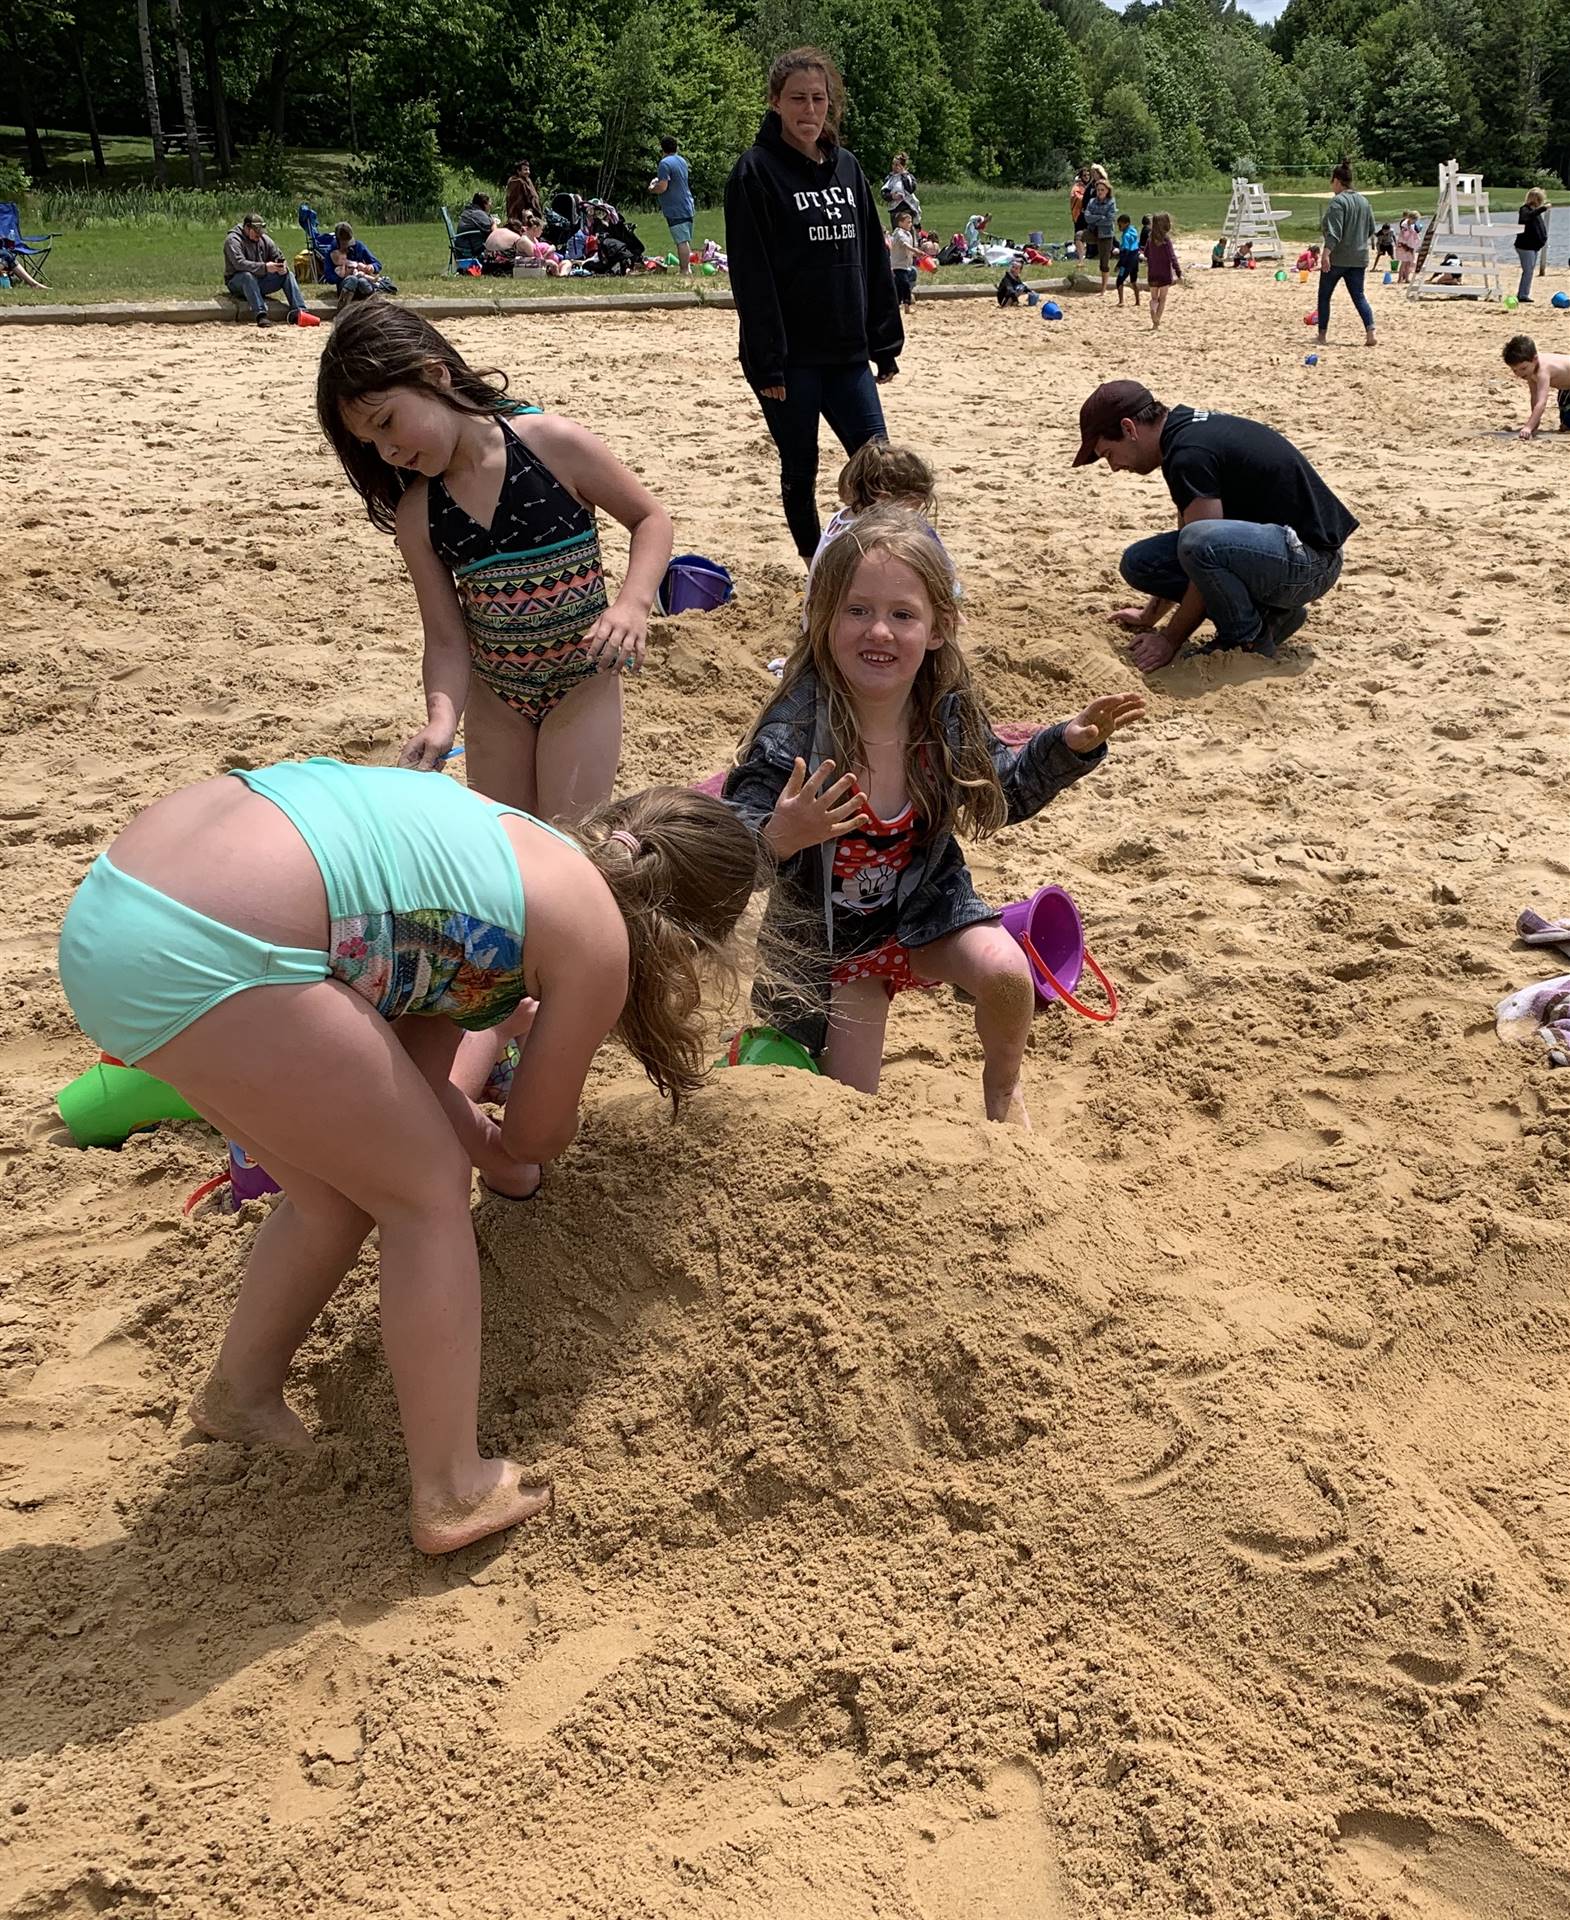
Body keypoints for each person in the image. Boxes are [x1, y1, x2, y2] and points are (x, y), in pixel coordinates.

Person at [57, 760, 760, 1555]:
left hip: (115, 917)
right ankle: (453, 1485)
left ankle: (242, 1395)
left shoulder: (505, 857)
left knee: (337, 1194)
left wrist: (472, 1121)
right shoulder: (596, 937)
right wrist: (504, 1151)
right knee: (426, 1195)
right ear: (687, 935)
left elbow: (417, 1086)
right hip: (213, 947)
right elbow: (532, 1139)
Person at [725, 508, 1143, 1127]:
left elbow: (1004, 791)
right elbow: (727, 850)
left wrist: (1066, 746)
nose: (879, 632)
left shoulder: (942, 714)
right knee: (844, 1114)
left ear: (938, 628)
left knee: (1005, 973)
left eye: (902, 615)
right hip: (833, 946)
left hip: (927, 910)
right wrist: (783, 833)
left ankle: (1003, 1090)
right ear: (823, 618)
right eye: (857, 610)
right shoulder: (795, 728)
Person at [316, 301, 673, 818]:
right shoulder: (419, 514)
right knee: (510, 847)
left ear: (434, 375)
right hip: (496, 697)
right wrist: (441, 720)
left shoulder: (552, 444)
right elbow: (444, 636)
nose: (387, 451)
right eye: (370, 443)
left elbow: (650, 520)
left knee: (568, 840)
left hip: (583, 679)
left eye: (387, 422)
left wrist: (632, 605)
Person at [724, 46, 903, 562]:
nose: (809, 110)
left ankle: (879, 561)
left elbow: (871, 255)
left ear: (832, 105)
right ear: (775, 102)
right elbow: (752, 278)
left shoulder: (847, 168)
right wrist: (769, 360)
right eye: (797, 99)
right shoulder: (754, 173)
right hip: (790, 361)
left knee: (878, 469)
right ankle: (814, 567)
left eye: (818, 99)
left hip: (847, 353)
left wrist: (884, 342)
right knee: (800, 469)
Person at [1076, 379, 1358, 673]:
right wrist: (1150, 615)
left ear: (1129, 429)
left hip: (1311, 563)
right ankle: (1271, 615)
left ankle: (1247, 640)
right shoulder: (1182, 434)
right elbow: (1193, 538)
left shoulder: (1188, 453)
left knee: (1198, 544)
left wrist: (1170, 639)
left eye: (1108, 454)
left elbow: (1201, 546)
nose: (1114, 467)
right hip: (1287, 552)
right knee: (1141, 563)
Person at [804, 439, 957, 612]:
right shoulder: (868, 539)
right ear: (883, 499)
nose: (914, 518)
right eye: (912, 509)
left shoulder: (840, 519)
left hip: (819, 620)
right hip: (841, 627)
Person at [1316, 161, 1376, 348]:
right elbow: (1371, 228)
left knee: (1324, 296)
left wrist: (1326, 253)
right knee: (1359, 296)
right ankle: (1370, 332)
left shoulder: (1338, 202)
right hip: (1359, 257)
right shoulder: (1364, 201)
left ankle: (1322, 335)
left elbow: (1335, 232)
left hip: (1339, 258)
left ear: (1337, 181)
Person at [223, 212, 315, 330]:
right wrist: (265, 267)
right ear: (247, 228)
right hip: (237, 282)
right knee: (247, 276)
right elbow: (239, 264)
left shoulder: (265, 240)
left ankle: (299, 312)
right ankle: (260, 314)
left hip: (259, 280)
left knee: (288, 275)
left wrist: (282, 267)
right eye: (256, 232)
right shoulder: (233, 240)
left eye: (261, 232)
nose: (259, 235)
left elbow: (278, 255)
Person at [1501, 335, 1570, 439]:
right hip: (1566, 388)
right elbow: (1534, 397)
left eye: (1523, 368)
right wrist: (1535, 423)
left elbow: (1542, 402)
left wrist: (1528, 427)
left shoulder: (1543, 370)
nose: (1519, 373)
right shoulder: (1530, 371)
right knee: (1566, 425)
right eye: (1515, 370)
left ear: (1535, 359)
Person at [649, 135, 696, 275]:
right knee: (685, 239)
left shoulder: (665, 164)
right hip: (687, 204)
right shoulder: (682, 161)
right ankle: (687, 267)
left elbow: (663, 186)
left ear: (662, 148)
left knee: (681, 240)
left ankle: (684, 270)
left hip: (675, 207)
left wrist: (652, 188)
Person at [328, 223, 392, 305]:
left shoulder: (359, 246)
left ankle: (372, 302)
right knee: (352, 280)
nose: (348, 246)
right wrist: (344, 274)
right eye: (344, 243)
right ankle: (344, 305)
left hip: (362, 283)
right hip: (345, 285)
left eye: (349, 242)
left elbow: (377, 264)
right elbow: (329, 276)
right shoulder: (332, 252)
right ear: (338, 241)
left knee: (362, 281)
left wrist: (371, 267)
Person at [457, 193, 521, 265]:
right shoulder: (477, 213)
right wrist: (494, 223)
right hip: (471, 248)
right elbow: (494, 231)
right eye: (489, 203)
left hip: (467, 243)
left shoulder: (470, 211)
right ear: (484, 204)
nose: (490, 205)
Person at [1143, 212, 1181, 331]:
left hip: (1153, 272)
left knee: (1154, 298)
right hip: (1164, 273)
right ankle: (1156, 322)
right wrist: (1178, 272)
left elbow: (1146, 254)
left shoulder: (1150, 239)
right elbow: (1172, 257)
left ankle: (1153, 311)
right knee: (1162, 299)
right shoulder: (1166, 240)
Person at [1082, 177, 1118, 293]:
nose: (1100, 192)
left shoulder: (1111, 201)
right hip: (1093, 231)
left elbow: (1110, 219)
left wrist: (1095, 218)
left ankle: (1104, 288)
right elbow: (1087, 217)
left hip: (1106, 234)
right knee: (1078, 236)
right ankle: (1080, 260)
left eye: (1102, 190)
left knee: (1104, 262)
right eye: (1098, 190)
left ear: (1107, 190)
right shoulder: (1092, 201)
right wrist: (1100, 217)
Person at [1514, 188, 1550, 304]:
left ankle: (1523, 293)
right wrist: (1543, 209)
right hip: (1525, 246)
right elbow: (1527, 217)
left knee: (1529, 270)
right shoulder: (1525, 210)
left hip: (1533, 247)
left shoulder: (1535, 212)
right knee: (1528, 270)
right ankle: (1523, 295)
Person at [889, 206, 920, 314]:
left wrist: (916, 254)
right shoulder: (899, 233)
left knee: (898, 287)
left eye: (910, 222)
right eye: (908, 222)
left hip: (905, 265)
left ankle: (896, 307)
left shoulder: (908, 233)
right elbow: (905, 244)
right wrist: (915, 251)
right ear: (900, 223)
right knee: (905, 285)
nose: (910, 224)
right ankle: (907, 307)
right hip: (898, 265)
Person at [882, 152, 921, 228]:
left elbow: (910, 189)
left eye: (897, 165)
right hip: (894, 209)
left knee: (906, 230)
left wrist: (903, 175)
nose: (895, 167)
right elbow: (884, 193)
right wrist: (892, 196)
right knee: (897, 232)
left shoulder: (909, 177)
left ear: (903, 165)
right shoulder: (889, 178)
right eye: (893, 164)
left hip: (906, 207)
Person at [505, 160, 542, 233]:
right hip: (519, 214)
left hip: (529, 212)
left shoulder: (527, 181)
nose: (528, 172)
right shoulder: (515, 182)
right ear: (518, 171)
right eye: (525, 170)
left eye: (528, 169)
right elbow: (516, 201)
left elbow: (533, 197)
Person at [1115, 215, 1141, 307]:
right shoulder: (1133, 230)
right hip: (1136, 258)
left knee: (1119, 280)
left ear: (1126, 224)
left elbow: (1125, 251)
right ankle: (1138, 301)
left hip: (1127, 260)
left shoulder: (1126, 235)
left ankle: (1121, 301)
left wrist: (1119, 264)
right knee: (1133, 280)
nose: (1119, 227)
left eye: (1120, 225)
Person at [1070, 166, 1093, 259]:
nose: (1087, 177)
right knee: (1079, 234)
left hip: (1089, 214)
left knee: (1089, 233)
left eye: (1088, 175)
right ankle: (1079, 253)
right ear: (1081, 176)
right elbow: (1077, 198)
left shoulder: (1091, 186)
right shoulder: (1077, 187)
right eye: (1084, 175)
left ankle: (1089, 252)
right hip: (1079, 214)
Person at [1394, 211, 1421, 285]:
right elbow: (1403, 236)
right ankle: (1400, 279)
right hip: (1403, 245)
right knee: (1404, 262)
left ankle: (1406, 278)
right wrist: (1406, 245)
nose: (1415, 222)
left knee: (1409, 262)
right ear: (1411, 218)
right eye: (1415, 220)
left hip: (1409, 245)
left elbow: (1414, 234)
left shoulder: (1411, 225)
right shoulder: (1404, 225)